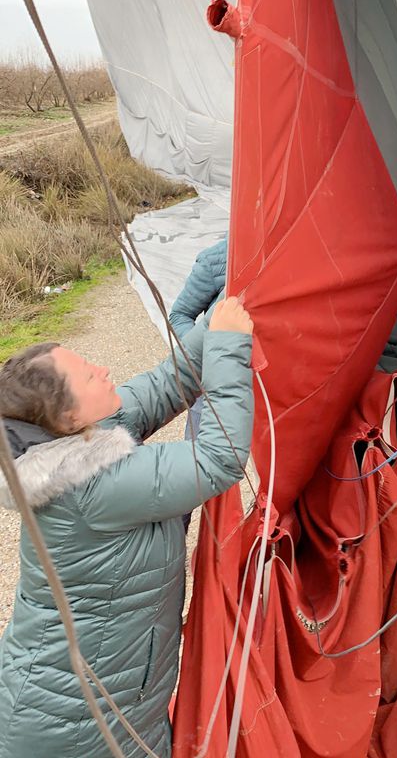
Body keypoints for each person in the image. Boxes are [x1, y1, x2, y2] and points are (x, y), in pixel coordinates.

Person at [0, 296, 253, 758]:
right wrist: (228, 345)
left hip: (102, 699)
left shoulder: (68, 442)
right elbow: (220, 458)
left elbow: (164, 384)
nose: (102, 369)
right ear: (68, 417)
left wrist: (216, 321)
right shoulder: (90, 485)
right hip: (74, 725)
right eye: (87, 375)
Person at [169, 235, 228, 443]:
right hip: (215, 375)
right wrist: (206, 354)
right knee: (204, 455)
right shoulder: (214, 259)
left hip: (272, 377)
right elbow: (179, 315)